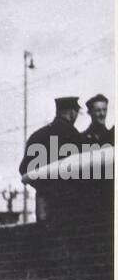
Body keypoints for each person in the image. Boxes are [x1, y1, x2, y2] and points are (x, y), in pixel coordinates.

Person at [18, 95, 85, 223]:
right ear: (72, 112)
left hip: (45, 203)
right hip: (71, 204)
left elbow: (24, 169)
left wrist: (44, 187)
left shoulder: (38, 136)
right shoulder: (76, 137)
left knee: (46, 239)